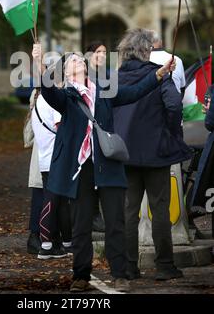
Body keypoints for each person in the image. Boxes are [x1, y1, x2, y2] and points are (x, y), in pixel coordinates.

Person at [32, 41, 176, 293]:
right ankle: (81, 275)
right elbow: (47, 90)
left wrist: (159, 74)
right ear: (65, 72)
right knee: (81, 226)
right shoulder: (65, 97)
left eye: (79, 58)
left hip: (107, 166)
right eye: (72, 60)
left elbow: (134, 92)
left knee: (116, 223)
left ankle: (120, 274)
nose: (77, 60)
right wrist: (38, 61)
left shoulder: (104, 91)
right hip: (80, 171)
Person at [113, 28, 192, 281]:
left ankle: (128, 267)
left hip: (124, 153)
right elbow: (173, 105)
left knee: (128, 211)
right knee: (160, 209)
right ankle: (165, 265)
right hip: (157, 150)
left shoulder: (114, 79)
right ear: (146, 50)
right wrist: (170, 133)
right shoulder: (158, 76)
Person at [32, 87, 72, 259]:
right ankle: (47, 245)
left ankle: (63, 244)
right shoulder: (52, 102)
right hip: (55, 158)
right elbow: (61, 127)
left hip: (46, 158)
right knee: (53, 201)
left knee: (59, 202)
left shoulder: (39, 101)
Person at [86, 41, 108, 233]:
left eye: (105, 52)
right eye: (98, 52)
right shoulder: (86, 76)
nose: (102, 55)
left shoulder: (108, 76)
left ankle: (101, 213)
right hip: (89, 133)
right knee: (91, 176)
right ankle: (93, 214)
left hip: (104, 131)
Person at [24, 89, 44, 255]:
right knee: (40, 191)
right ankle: (35, 234)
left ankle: (40, 235)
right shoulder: (39, 93)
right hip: (44, 148)